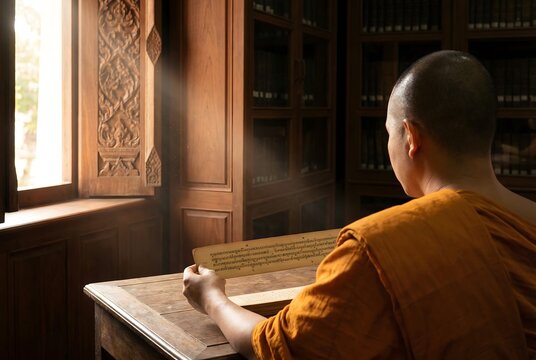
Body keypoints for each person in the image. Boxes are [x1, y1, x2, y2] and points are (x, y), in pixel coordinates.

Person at [182, 50, 536, 359]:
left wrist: (212, 299)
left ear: (411, 137)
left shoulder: (377, 246)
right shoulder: (527, 223)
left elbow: (276, 344)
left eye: (388, 132)